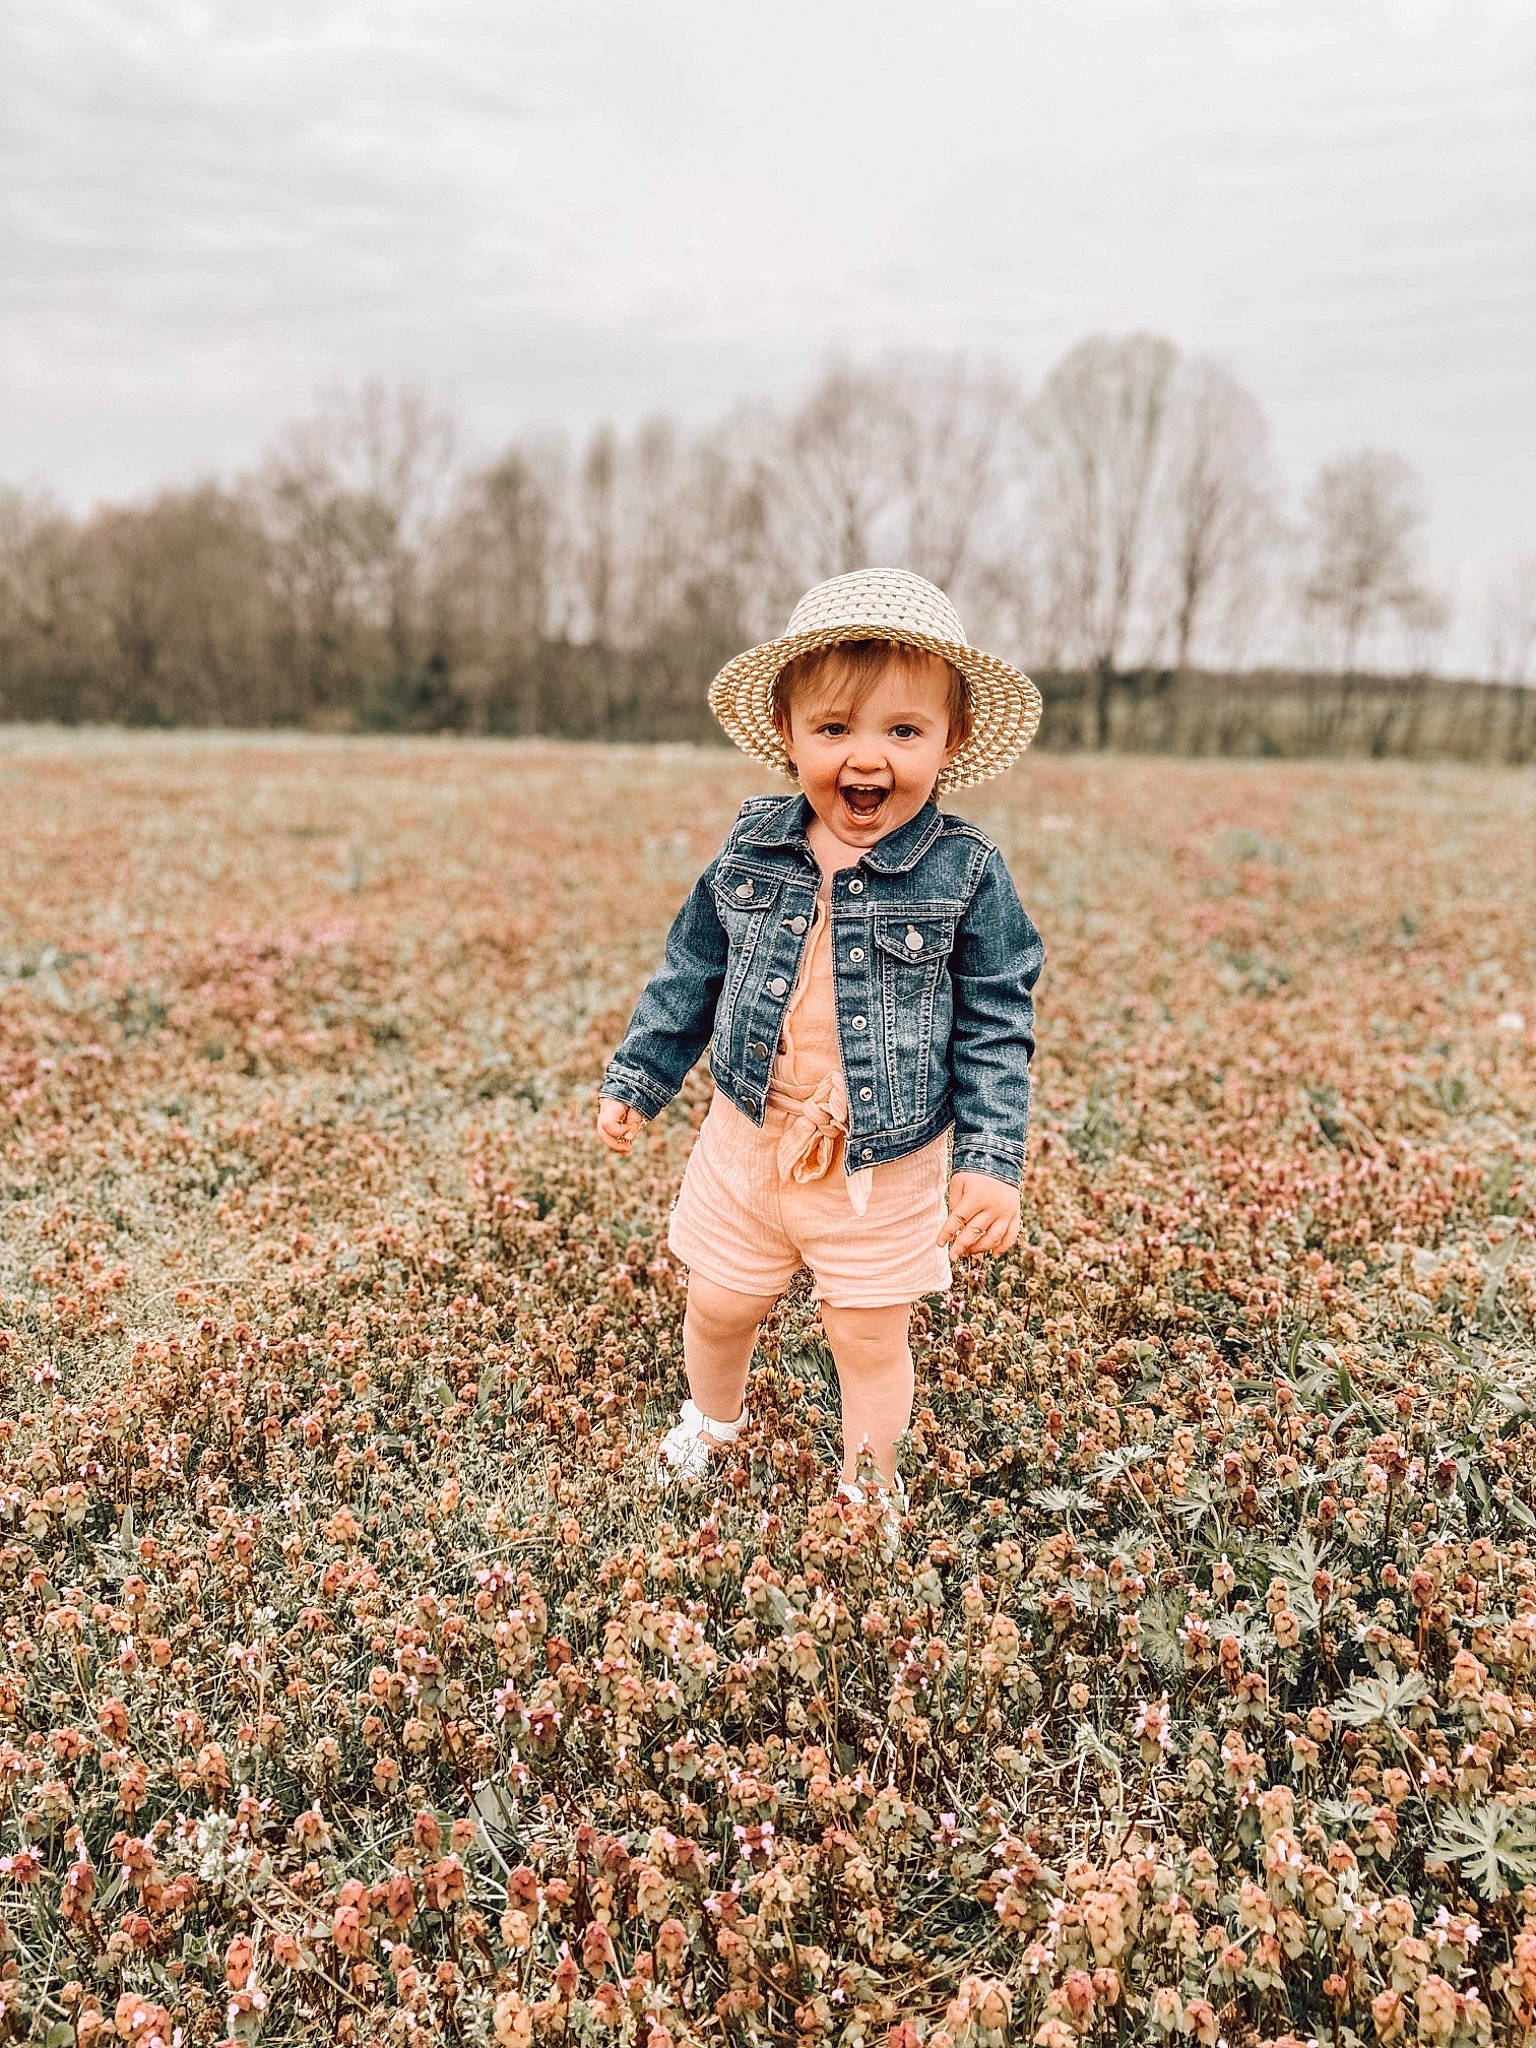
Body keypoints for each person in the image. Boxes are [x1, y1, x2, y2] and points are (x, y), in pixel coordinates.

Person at [595, 567, 1045, 1542]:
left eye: (902, 730)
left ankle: (869, 1484)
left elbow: (996, 1019)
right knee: (719, 1299)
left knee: (866, 1332)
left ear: (951, 739)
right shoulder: (752, 847)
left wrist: (991, 1161)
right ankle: (712, 1423)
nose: (865, 756)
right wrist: (641, 1074)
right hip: (749, 1135)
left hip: (883, 1158)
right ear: (789, 729)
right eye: (835, 728)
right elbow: (691, 968)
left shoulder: (966, 873)